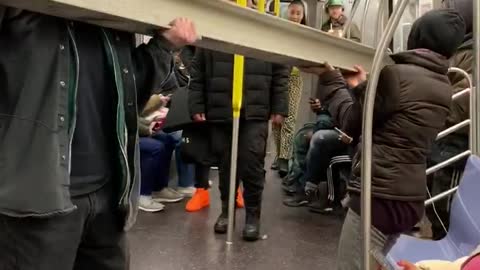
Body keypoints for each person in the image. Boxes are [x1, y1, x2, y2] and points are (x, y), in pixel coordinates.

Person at [0, 5, 197, 269]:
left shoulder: (112, 16)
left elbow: (129, 96)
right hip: (38, 197)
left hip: (109, 193)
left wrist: (164, 46)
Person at [301, 8, 465, 270]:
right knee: (373, 261)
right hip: (408, 201)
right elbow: (396, 120)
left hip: (379, 196)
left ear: (417, 35)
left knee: (352, 264)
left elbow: (350, 122)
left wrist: (331, 81)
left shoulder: (395, 76)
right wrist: (363, 88)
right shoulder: (444, 86)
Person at [189, 1, 289, 241]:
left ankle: (253, 216)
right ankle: (226, 211)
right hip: (221, 107)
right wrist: (197, 104)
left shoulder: (266, 27)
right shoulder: (215, 25)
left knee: (252, 163)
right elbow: (199, 69)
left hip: (254, 109)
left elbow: (280, 71)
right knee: (226, 164)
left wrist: (279, 106)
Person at [427, 0, 473, 240]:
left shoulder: (473, 52)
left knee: (447, 207)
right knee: (435, 203)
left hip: (457, 141)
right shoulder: (459, 49)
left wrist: (431, 105)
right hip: (444, 138)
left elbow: (467, 101)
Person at [272, 0, 306, 176]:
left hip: (294, 79)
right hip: (279, 77)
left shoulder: (304, 34)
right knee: (277, 121)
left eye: (298, 13)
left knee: (289, 118)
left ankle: (284, 157)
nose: (295, 17)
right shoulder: (280, 31)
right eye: (292, 12)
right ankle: (279, 155)